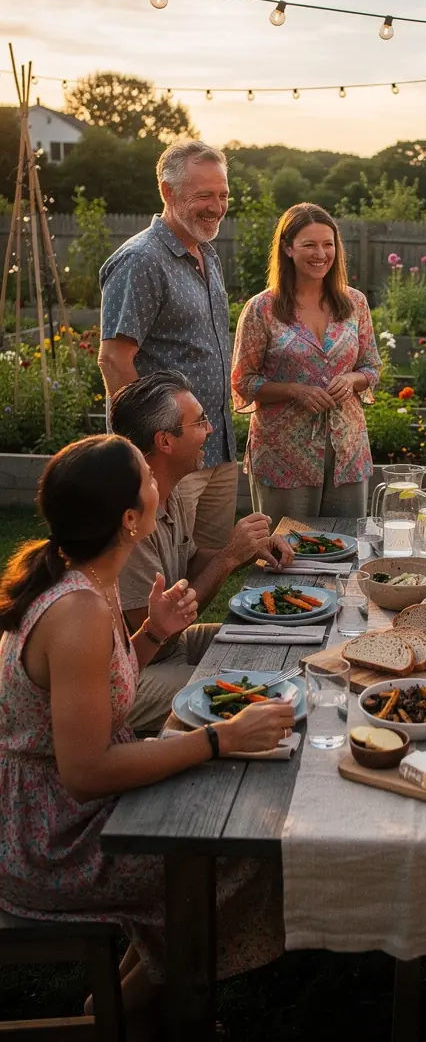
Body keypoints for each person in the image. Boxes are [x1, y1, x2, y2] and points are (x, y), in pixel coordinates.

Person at [0, 435, 295, 1022]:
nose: (159, 484)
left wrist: (153, 634)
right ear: (129, 519)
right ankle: (116, 1013)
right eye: (148, 478)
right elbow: (86, 772)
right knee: (243, 848)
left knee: (232, 806)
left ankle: (139, 986)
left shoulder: (88, 577)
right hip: (51, 840)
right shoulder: (78, 610)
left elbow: (101, 692)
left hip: (62, 810)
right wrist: (219, 738)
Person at [110, 371, 295, 735]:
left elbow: (191, 560)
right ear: (165, 441)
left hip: (168, 649)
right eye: (199, 422)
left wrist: (247, 551)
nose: (211, 430)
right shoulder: (130, 518)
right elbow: (156, 632)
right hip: (135, 671)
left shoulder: (170, 490)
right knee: (249, 693)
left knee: (274, 643)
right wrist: (228, 557)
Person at [98, 139, 237, 553]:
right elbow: (114, 359)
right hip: (168, 458)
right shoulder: (141, 259)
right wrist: (144, 455)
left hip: (217, 446)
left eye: (223, 195)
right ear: (168, 192)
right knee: (160, 574)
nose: (217, 207)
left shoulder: (206, 253)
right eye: (204, 195)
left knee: (210, 565)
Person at [232, 202, 381, 522]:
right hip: (284, 455)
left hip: (347, 450)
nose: (321, 254)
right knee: (288, 545)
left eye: (328, 244)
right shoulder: (261, 309)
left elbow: (371, 367)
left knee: (347, 542)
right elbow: (243, 380)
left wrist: (352, 380)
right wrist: (294, 391)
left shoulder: (355, 303)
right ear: (288, 248)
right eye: (309, 245)